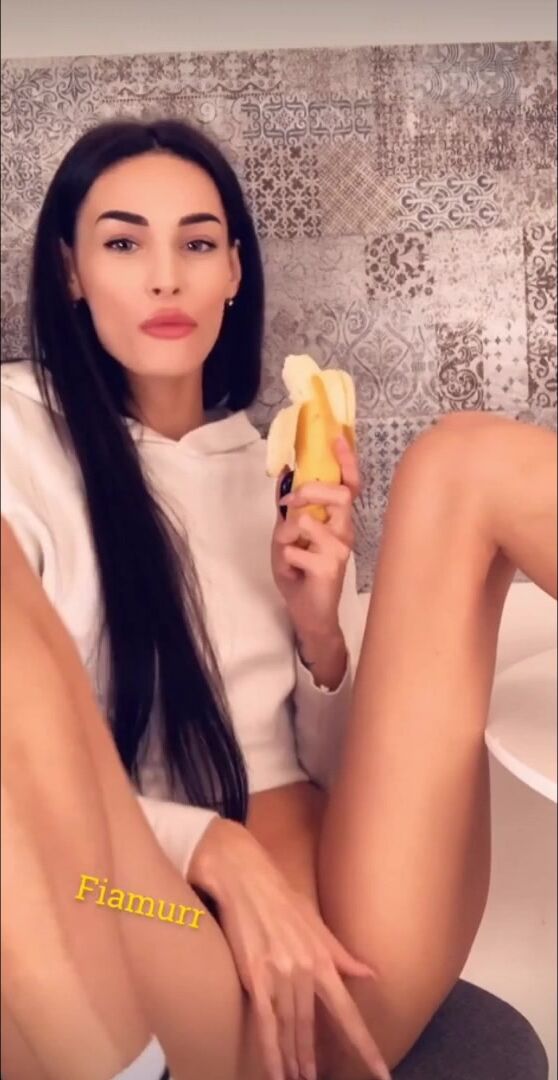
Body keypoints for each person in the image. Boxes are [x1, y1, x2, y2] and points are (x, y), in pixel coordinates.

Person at [1, 116, 556, 1080]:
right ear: (70, 272)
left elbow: (346, 772)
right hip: (148, 915)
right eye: (124, 244)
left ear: (233, 272)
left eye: (197, 244)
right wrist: (211, 849)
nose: (166, 278)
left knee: (461, 460)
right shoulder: (19, 436)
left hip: (350, 940)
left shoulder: (271, 464)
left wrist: (318, 636)